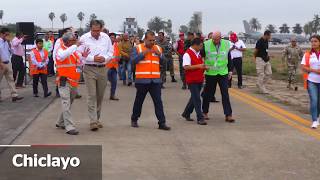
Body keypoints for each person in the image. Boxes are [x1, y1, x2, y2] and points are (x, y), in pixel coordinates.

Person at [130, 31, 171, 131]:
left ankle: (162, 122)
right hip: (142, 80)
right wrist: (143, 54)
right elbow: (133, 61)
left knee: (158, 102)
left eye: (154, 40)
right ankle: (134, 119)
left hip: (155, 81)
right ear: (145, 39)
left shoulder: (157, 48)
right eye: (150, 40)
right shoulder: (138, 48)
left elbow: (165, 61)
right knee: (139, 101)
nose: (152, 42)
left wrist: (160, 55)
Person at [78, 20, 113, 131]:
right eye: (93, 30)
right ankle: (93, 121)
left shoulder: (106, 38)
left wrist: (105, 58)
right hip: (89, 69)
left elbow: (111, 52)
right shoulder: (84, 38)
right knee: (92, 95)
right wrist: (93, 58)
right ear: (90, 28)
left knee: (100, 96)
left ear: (101, 29)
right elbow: (79, 54)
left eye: (98, 30)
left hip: (103, 69)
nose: (96, 33)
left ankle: (97, 118)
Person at [55, 32, 90, 135]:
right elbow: (62, 56)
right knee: (66, 102)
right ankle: (69, 127)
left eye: (75, 40)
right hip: (64, 80)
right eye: (73, 40)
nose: (75, 42)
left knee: (69, 102)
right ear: (67, 41)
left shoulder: (74, 52)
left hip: (73, 82)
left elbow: (80, 65)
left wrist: (83, 57)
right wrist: (75, 46)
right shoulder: (60, 50)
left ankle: (60, 122)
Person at [202, 31, 235, 123]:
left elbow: (228, 57)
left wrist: (230, 71)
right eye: (213, 39)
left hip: (223, 72)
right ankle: (204, 112)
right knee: (208, 93)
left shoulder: (226, 44)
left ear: (220, 38)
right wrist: (203, 68)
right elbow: (201, 56)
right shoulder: (206, 44)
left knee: (225, 93)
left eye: (216, 39)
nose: (215, 41)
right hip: (210, 73)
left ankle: (228, 115)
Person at [182, 38, 208, 125]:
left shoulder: (198, 53)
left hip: (199, 79)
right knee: (197, 98)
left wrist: (203, 67)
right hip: (192, 80)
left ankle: (186, 113)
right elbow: (186, 67)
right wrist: (199, 66)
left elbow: (199, 65)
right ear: (195, 45)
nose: (201, 48)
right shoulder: (187, 54)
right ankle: (200, 118)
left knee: (194, 98)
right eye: (200, 46)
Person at [0, 28, 24, 102]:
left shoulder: (7, 42)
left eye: (8, 34)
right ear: (1, 34)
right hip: (1, 63)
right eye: (6, 34)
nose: (7, 36)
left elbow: (11, 52)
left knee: (11, 80)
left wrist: (10, 45)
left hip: (8, 62)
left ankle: (14, 95)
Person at [301, 35, 320, 129]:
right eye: (312, 41)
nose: (313, 43)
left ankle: (317, 117)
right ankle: (314, 121)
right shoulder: (308, 54)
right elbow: (303, 67)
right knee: (314, 100)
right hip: (311, 80)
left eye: (315, 41)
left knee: (319, 101)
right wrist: (315, 71)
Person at [53, 27, 72, 97]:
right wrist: (55, 62)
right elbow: (55, 52)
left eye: (71, 32)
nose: (70, 34)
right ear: (64, 34)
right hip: (61, 64)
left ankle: (71, 92)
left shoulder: (72, 41)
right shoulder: (59, 41)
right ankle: (58, 91)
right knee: (61, 78)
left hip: (70, 63)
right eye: (68, 32)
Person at [106, 32, 120, 101]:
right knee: (103, 82)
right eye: (111, 37)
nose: (112, 39)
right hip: (107, 66)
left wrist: (118, 58)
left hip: (114, 66)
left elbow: (118, 55)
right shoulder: (105, 45)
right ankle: (98, 94)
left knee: (114, 81)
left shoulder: (116, 45)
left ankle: (112, 95)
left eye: (114, 37)